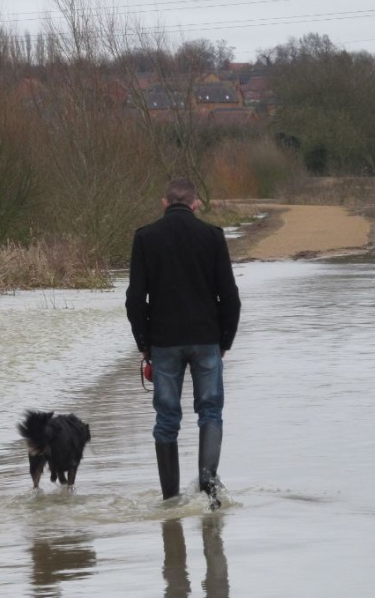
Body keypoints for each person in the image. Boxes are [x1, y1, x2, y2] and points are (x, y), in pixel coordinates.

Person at [125, 178, 241, 506]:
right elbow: (230, 297)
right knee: (210, 411)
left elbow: (135, 299)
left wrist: (144, 343)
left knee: (166, 419)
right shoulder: (212, 236)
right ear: (195, 204)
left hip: (164, 341)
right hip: (206, 339)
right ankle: (208, 481)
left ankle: (170, 500)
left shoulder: (145, 238)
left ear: (164, 203)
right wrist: (224, 341)